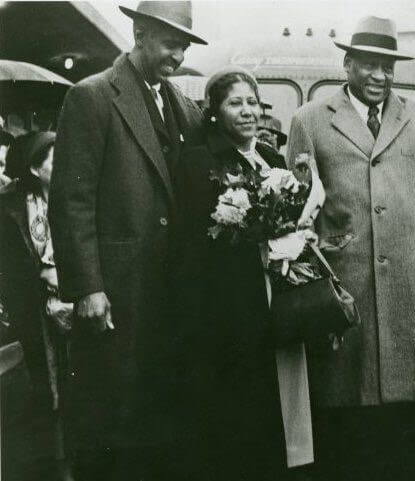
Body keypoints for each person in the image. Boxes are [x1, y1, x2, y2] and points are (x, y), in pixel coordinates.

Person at [287, 15, 415, 481]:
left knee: (408, 431)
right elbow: (295, 204)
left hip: (412, 287)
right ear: (347, 64)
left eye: (387, 66)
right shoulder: (309, 121)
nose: (379, 76)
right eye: (368, 64)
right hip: (345, 293)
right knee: (348, 426)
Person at [47, 2, 206, 479]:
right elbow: (70, 199)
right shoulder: (92, 97)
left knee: (162, 419)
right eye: (169, 43)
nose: (177, 55)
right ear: (139, 33)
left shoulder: (183, 105)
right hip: (119, 290)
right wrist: (87, 287)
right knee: (114, 421)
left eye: (184, 46)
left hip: (171, 293)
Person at [174, 67, 288, 481]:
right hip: (223, 309)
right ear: (215, 112)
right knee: (230, 418)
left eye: (252, 102)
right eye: (235, 103)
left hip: (272, 303)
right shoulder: (199, 161)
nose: (247, 112)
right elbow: (192, 241)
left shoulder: (273, 159)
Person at [0, 131, 73, 480]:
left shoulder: (77, 198)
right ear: (34, 167)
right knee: (46, 386)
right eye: (56, 159)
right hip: (34, 313)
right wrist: (43, 275)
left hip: (78, 303)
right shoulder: (11, 208)